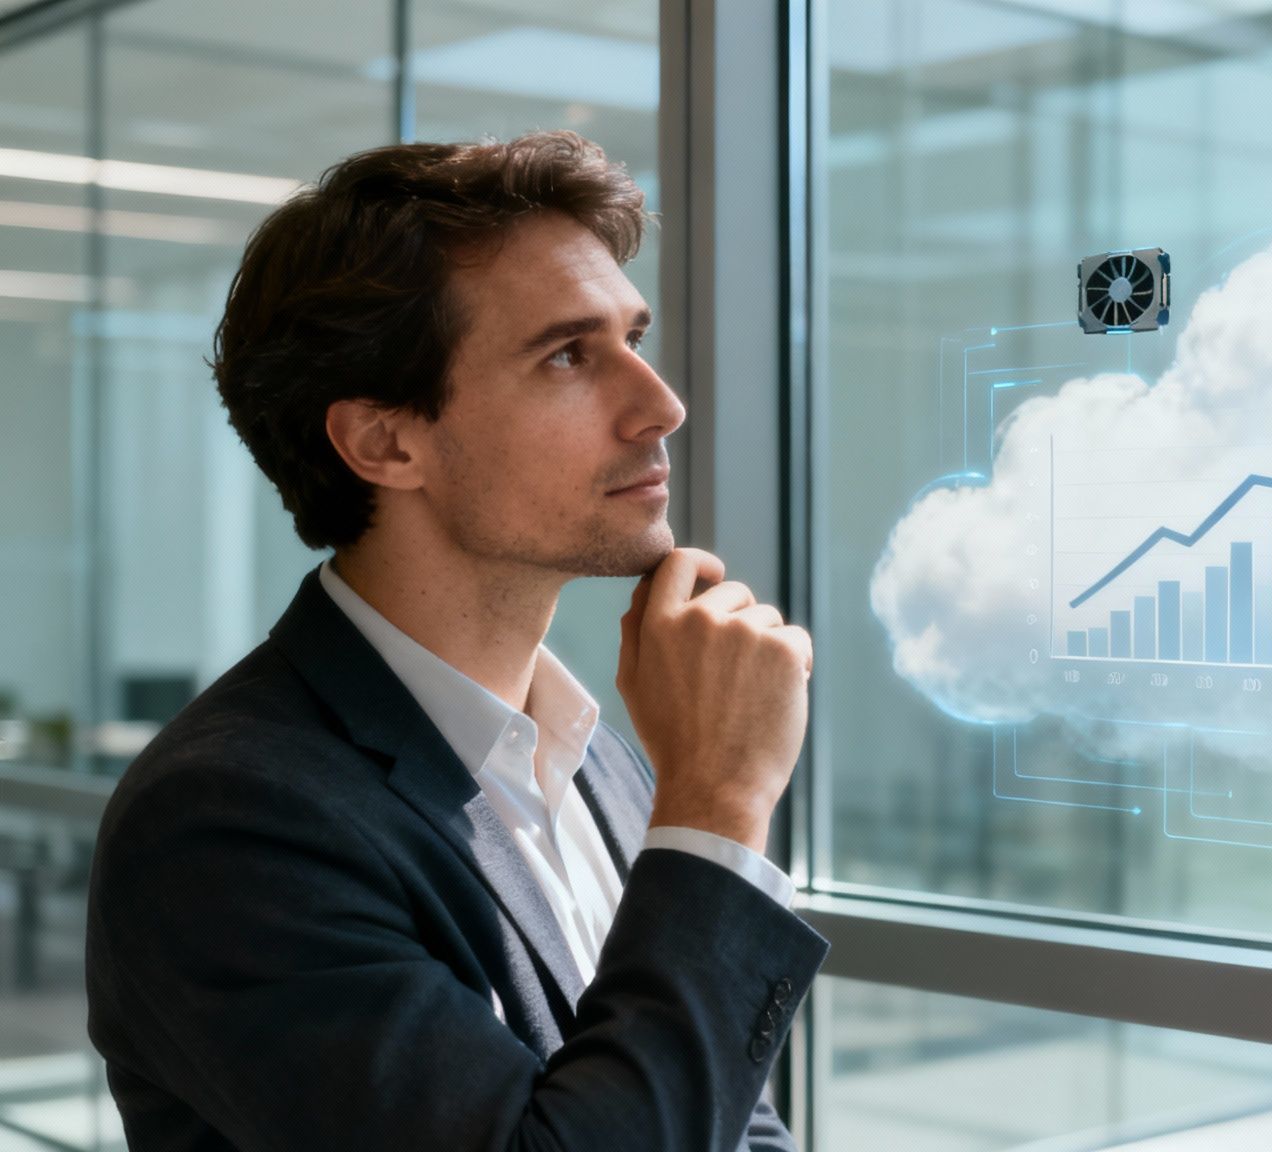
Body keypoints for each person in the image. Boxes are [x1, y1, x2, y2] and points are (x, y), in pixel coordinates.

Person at [83, 130, 824, 1151]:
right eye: (567, 355)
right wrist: (720, 806)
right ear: (386, 441)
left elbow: (718, 1114)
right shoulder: (228, 822)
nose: (660, 406)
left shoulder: (588, 753)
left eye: (632, 340)